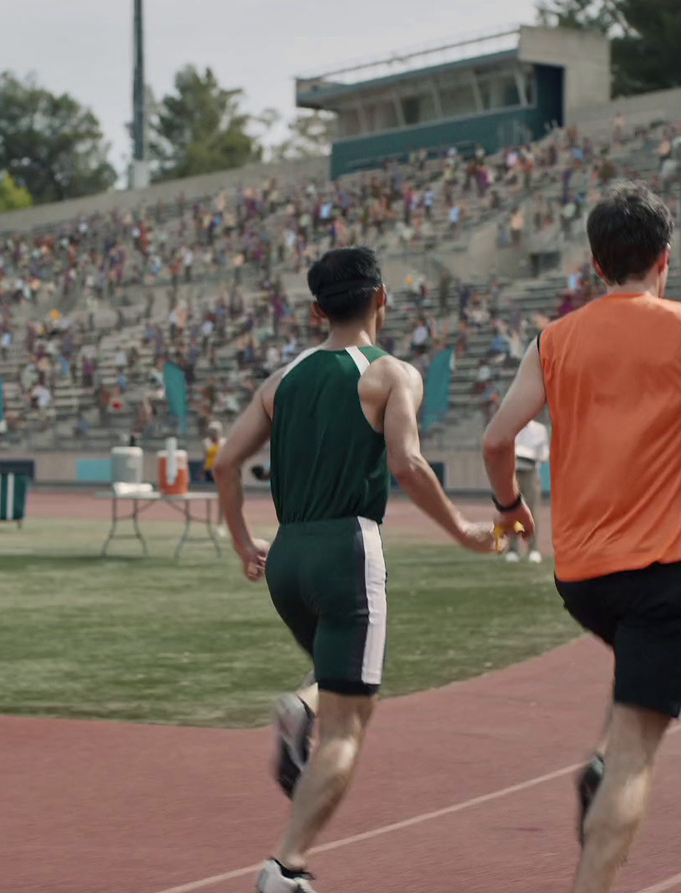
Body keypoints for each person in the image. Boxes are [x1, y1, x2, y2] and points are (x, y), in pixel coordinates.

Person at [481, 181, 681, 893]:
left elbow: (496, 437)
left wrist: (510, 505)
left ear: (596, 265)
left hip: (583, 578)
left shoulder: (554, 339)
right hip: (665, 567)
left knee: (630, 682)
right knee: (639, 755)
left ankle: (602, 757)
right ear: (665, 259)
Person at [213, 246, 498, 893]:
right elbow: (408, 463)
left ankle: (302, 702)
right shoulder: (392, 373)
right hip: (348, 549)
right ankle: (286, 866)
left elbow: (225, 462)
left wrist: (241, 544)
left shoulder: (280, 381)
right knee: (349, 725)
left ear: (316, 310)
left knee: (335, 679)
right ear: (383, 299)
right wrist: (463, 529)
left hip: (287, 556)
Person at [507, 417, 549, 564]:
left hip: (530, 471)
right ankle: (513, 550)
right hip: (513, 471)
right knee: (512, 510)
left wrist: (528, 453)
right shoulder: (512, 426)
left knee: (532, 511)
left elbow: (544, 454)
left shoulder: (539, 430)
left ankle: (533, 549)